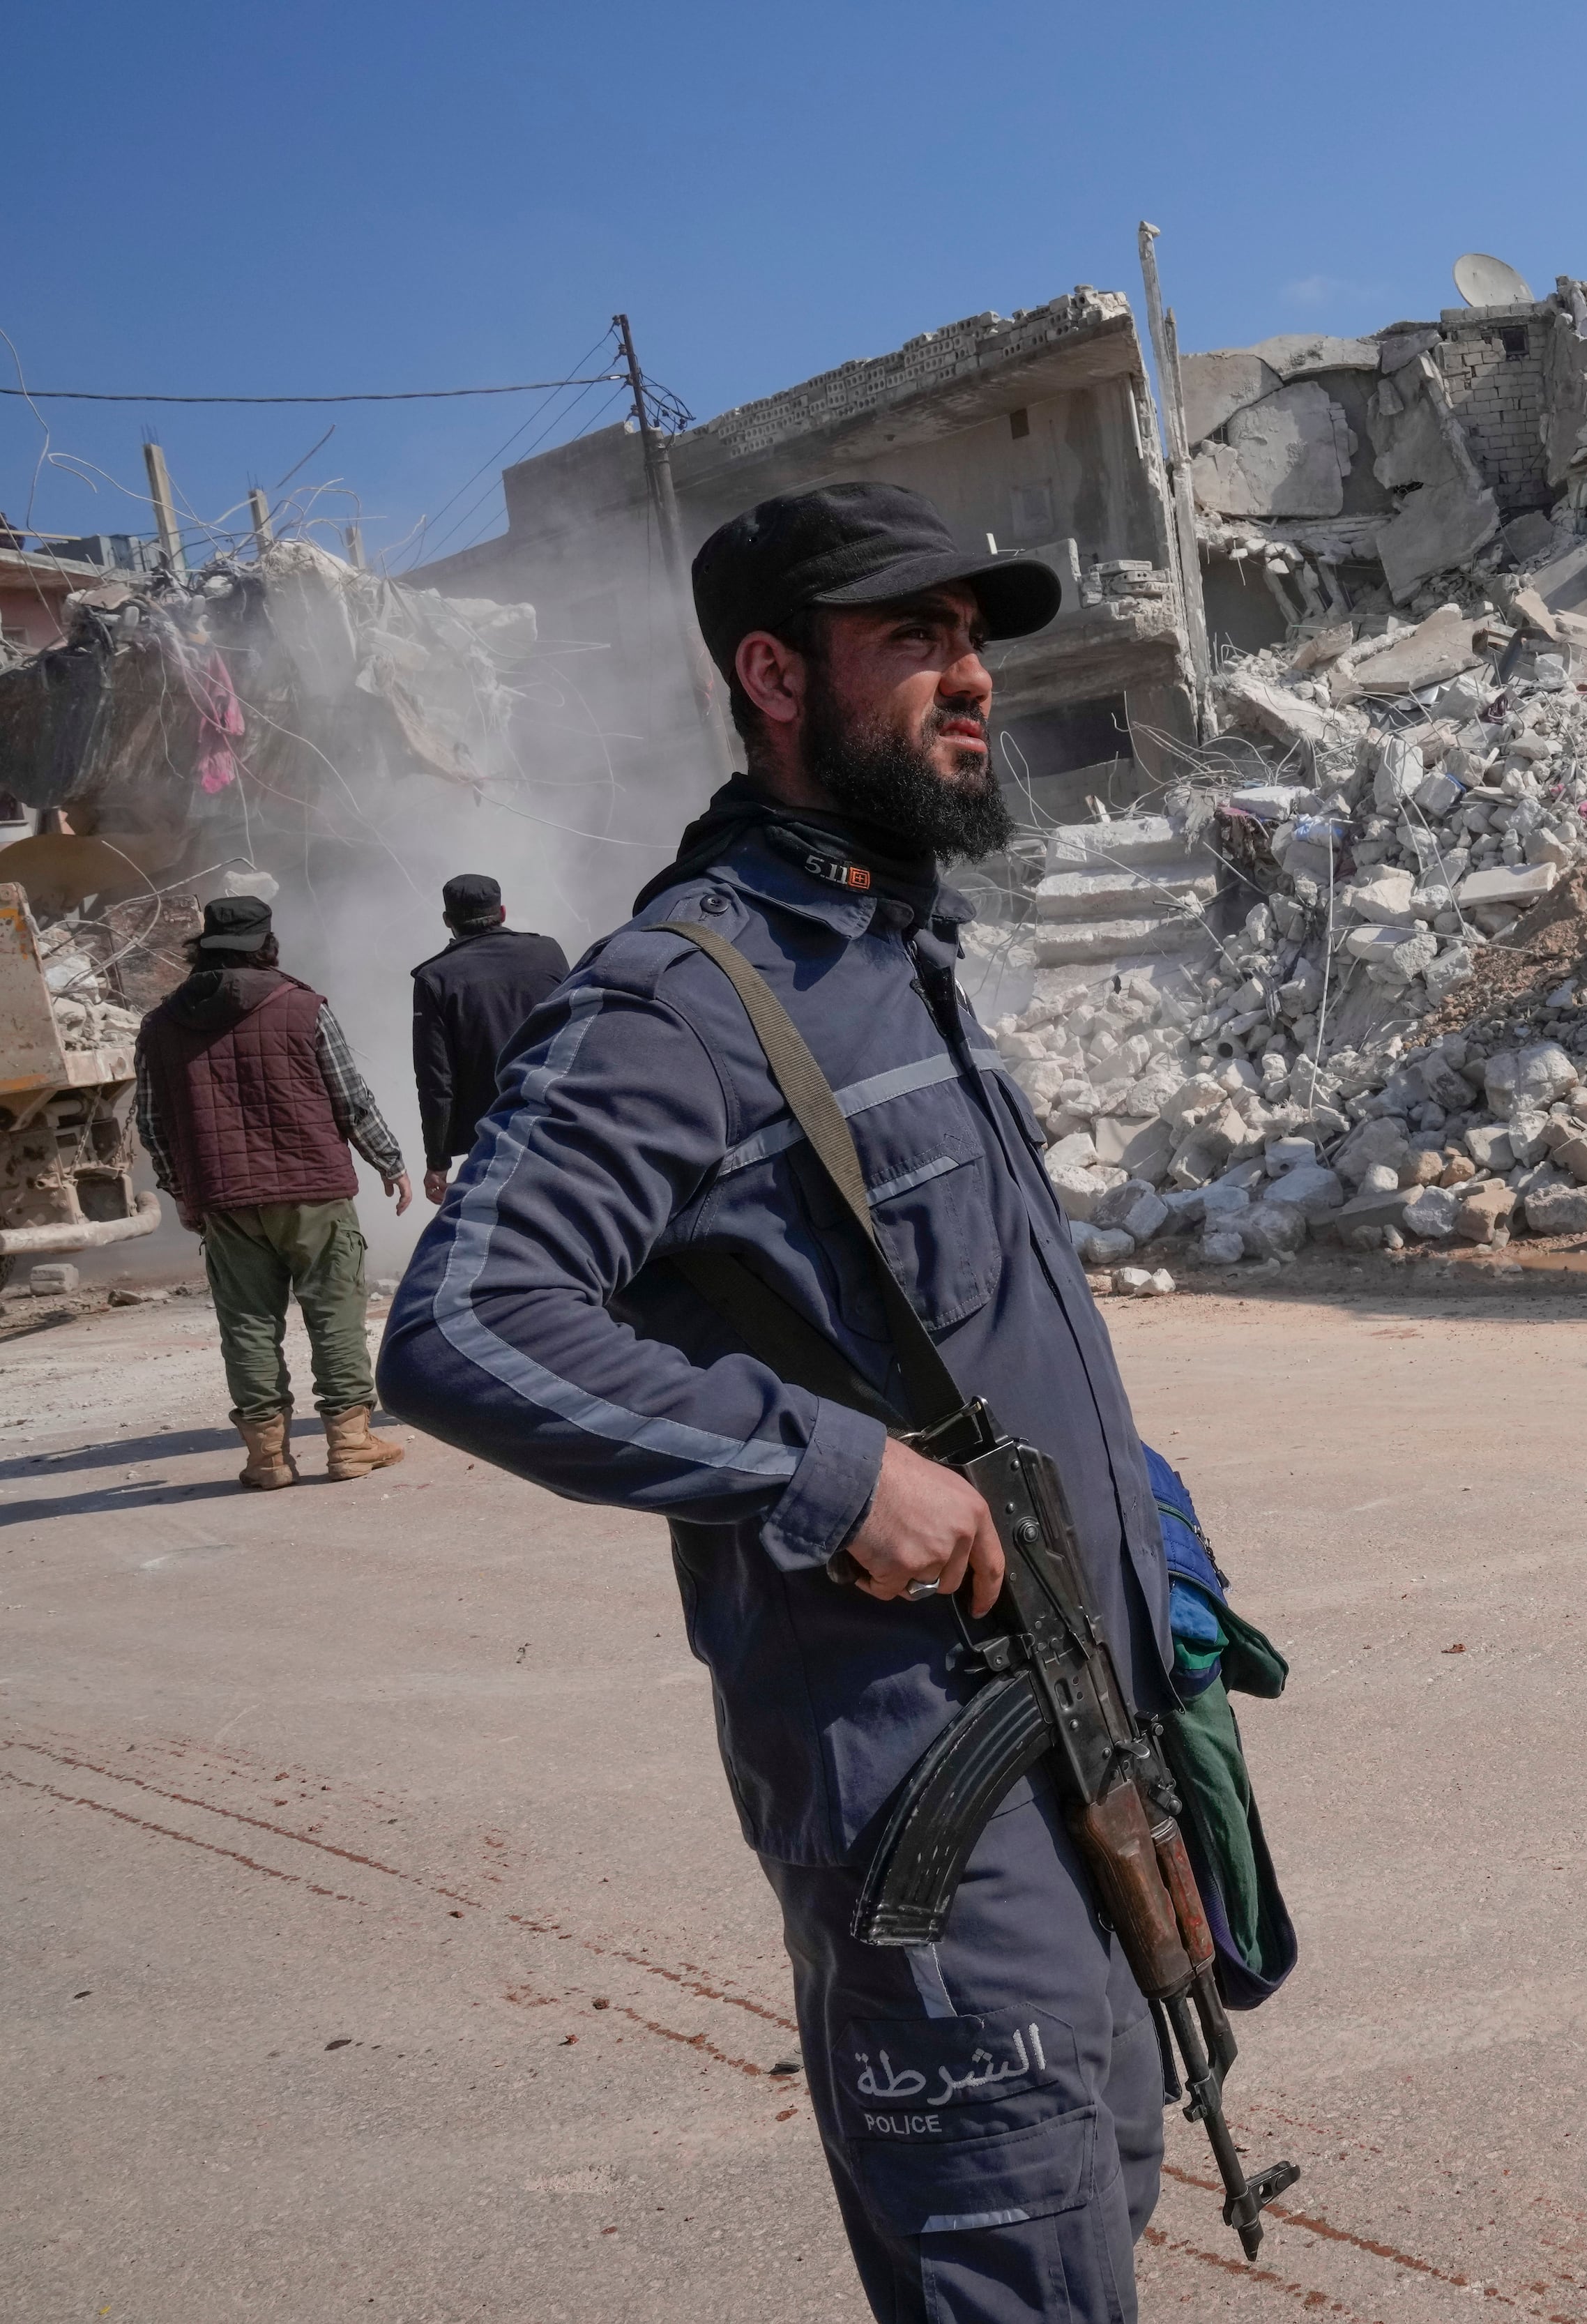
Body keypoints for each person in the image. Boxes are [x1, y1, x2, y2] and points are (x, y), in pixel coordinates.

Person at [379, 483, 1187, 2323]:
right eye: (916, 637)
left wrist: (1140, 1508)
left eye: (973, 638)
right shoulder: (686, 996)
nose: (969, 676)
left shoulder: (889, 953)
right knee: (1020, 2270)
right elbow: (464, 1321)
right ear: (771, 674)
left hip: (1080, 1741)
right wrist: (830, 1473)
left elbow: (940, 1316)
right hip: (927, 1806)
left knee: (1095, 2204)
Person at [133, 895, 414, 1489]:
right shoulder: (302, 1006)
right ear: (266, 945)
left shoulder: (160, 1025)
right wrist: (388, 1159)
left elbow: (153, 1123)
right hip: (312, 1185)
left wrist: (184, 1190)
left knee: (248, 1322)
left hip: (224, 1195)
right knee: (334, 1310)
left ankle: (267, 1458)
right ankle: (350, 1443)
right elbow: (349, 1096)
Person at [410, 872, 569, 1194]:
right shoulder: (549, 952)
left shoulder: (435, 978)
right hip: (562, 1120)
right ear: (503, 913)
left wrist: (438, 1161)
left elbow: (437, 1081)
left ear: (447, 920)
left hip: (495, 1138)